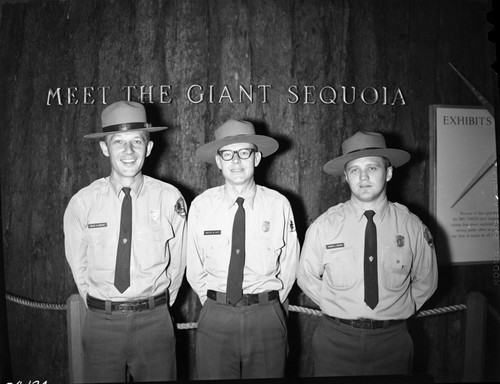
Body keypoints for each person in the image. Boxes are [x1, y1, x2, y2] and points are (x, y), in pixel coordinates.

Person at [63, 100, 186, 383]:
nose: (128, 151)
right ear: (105, 147)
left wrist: (156, 305)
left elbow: (178, 264)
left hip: (154, 323)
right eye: (118, 141)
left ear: (150, 147)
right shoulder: (83, 203)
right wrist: (102, 304)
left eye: (136, 142)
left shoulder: (169, 199)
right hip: (101, 324)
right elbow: (78, 267)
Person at [297, 131, 438, 377]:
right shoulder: (324, 226)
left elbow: (427, 280)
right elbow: (306, 277)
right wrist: (337, 305)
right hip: (335, 342)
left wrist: (397, 308)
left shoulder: (412, 227)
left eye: (372, 168)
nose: (363, 177)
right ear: (345, 177)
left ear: (389, 172)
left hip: (392, 343)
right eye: (354, 170)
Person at [186, 119, 300, 380]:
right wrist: (216, 304)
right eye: (228, 154)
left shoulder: (278, 205)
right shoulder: (201, 206)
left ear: (257, 157)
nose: (236, 161)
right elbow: (193, 266)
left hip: (266, 317)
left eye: (244, 152)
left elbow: (290, 264)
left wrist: (270, 306)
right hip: (216, 316)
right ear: (218, 161)